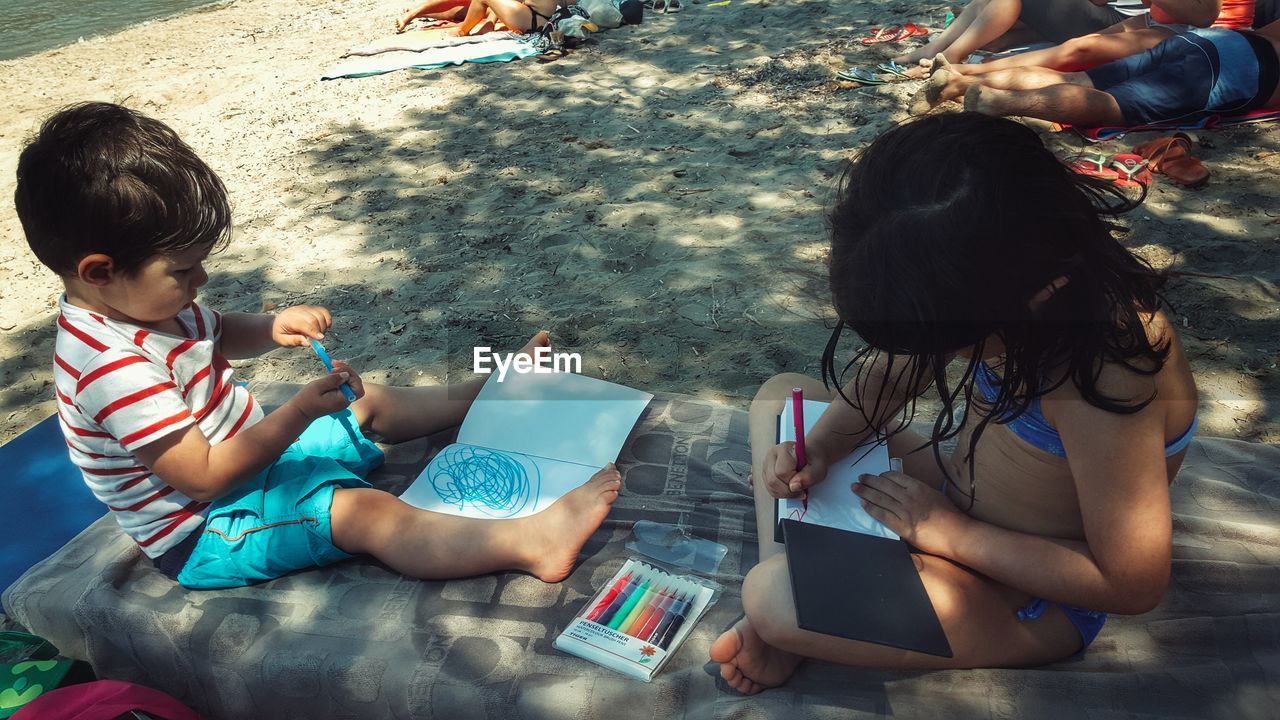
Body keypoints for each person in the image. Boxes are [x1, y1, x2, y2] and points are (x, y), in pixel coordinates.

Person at [14, 102, 621, 590]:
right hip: (206, 526)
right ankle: (526, 543)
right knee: (365, 514)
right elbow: (200, 478)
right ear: (98, 271)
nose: (199, 284)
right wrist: (299, 410)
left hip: (252, 463)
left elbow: (217, 333)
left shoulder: (145, 303)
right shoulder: (110, 368)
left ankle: (483, 395)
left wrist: (272, 326)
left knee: (368, 401)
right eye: (184, 270)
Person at [709, 112, 1199, 694]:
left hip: (1024, 592)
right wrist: (815, 451)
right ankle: (806, 578)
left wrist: (949, 534)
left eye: (941, 341)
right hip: (948, 499)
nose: (932, 355)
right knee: (783, 402)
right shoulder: (990, 284)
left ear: (1032, 292)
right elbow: (888, 382)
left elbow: (1131, 583)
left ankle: (793, 609)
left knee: (772, 597)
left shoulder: (1103, 377)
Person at [915, 18, 1280, 127]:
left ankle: (960, 84)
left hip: (1212, 41)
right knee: (1111, 104)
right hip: (1234, 70)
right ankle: (1000, 103)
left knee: (1080, 79)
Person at [945, 0, 1254, 77]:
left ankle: (973, 70)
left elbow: (1204, 16)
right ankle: (984, 63)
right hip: (1151, 22)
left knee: (1081, 48)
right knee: (1074, 48)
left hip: (1191, 34)